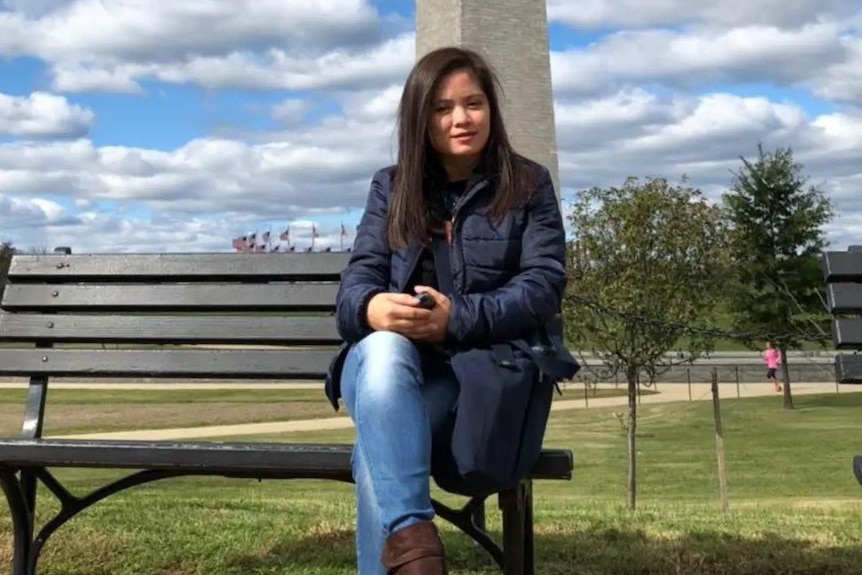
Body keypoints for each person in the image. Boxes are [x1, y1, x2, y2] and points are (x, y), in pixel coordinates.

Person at [324, 46, 576, 575]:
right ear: (421, 117)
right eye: (443, 108)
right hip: (390, 372)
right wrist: (373, 308)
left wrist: (454, 317)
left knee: (380, 449)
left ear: (492, 109)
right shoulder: (390, 188)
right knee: (386, 349)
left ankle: (413, 555)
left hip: (474, 376)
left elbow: (542, 287)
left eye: (473, 103)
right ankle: (417, 542)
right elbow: (353, 290)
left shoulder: (528, 185)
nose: (461, 119)